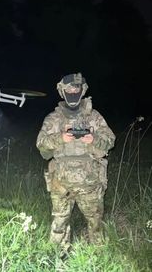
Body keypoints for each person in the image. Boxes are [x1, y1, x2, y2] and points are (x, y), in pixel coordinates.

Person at [36, 73, 115, 250]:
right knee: (59, 222)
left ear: (82, 90)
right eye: (69, 89)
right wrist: (61, 138)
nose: (73, 91)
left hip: (90, 181)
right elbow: (41, 145)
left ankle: (99, 255)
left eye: (76, 88)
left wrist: (93, 139)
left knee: (95, 221)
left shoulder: (93, 116)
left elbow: (110, 140)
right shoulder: (53, 119)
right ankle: (57, 256)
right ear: (62, 91)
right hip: (61, 182)